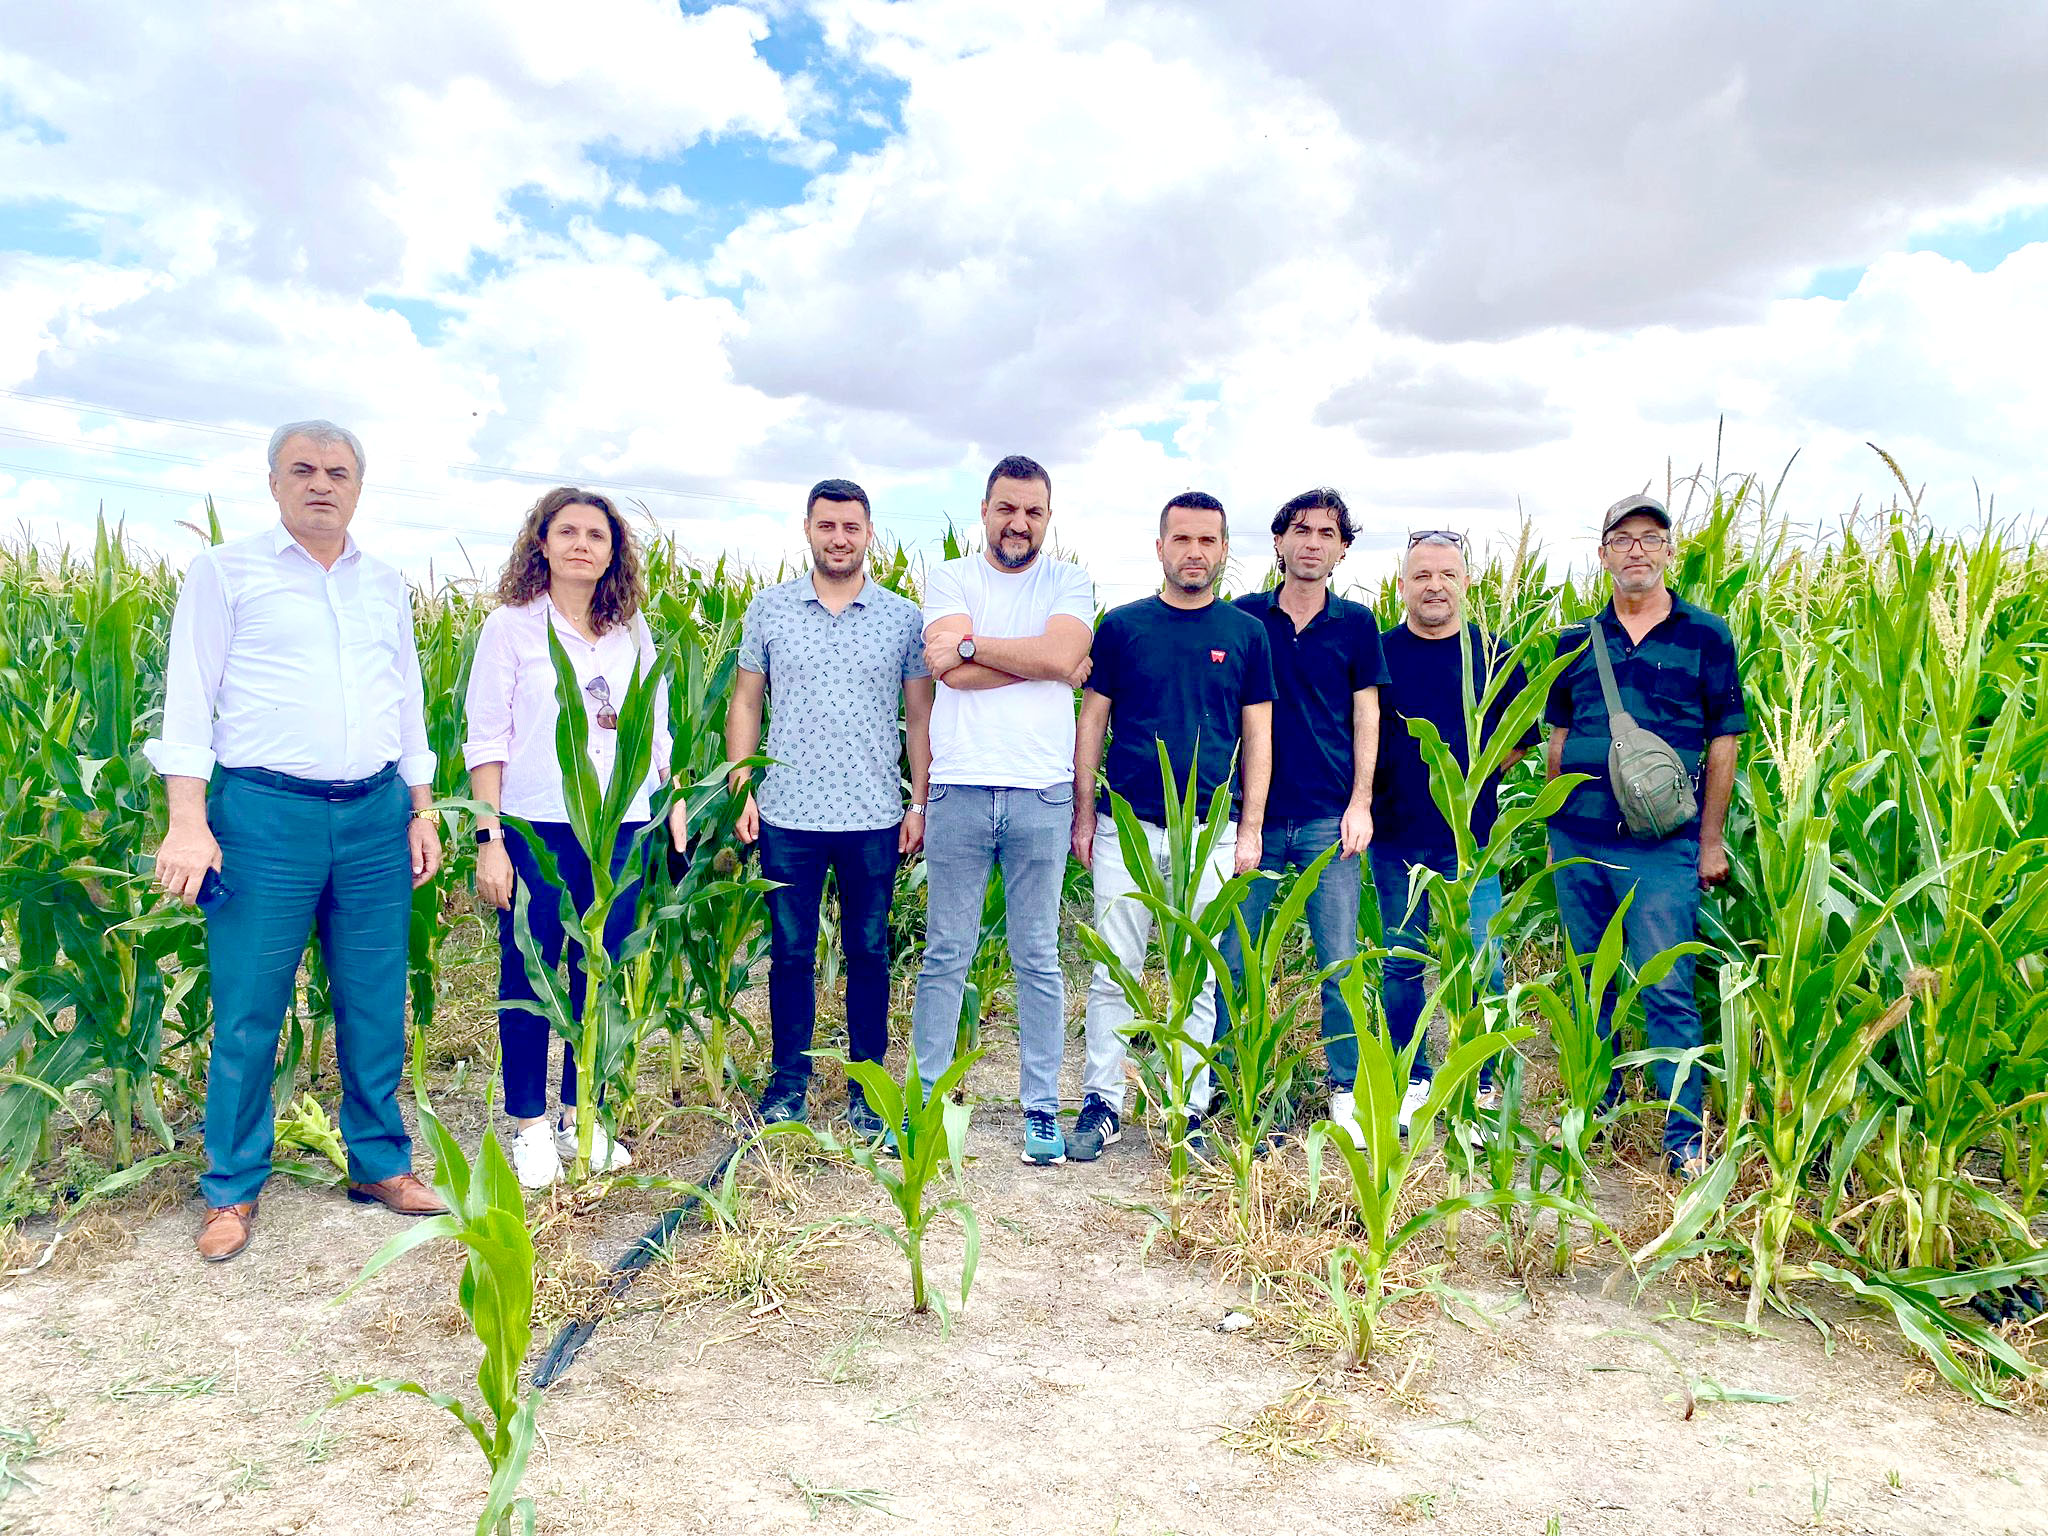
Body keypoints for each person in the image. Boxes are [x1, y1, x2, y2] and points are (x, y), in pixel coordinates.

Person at [148, 420, 448, 1262]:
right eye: (304, 470)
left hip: (373, 815)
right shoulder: (224, 572)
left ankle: (379, 1165)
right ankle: (232, 1188)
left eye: (339, 472)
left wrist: (421, 808)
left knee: (373, 997)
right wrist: (188, 819)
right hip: (263, 815)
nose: (322, 483)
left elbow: (408, 705)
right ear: (274, 481)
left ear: (360, 486)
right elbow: (187, 700)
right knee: (249, 1008)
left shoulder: (385, 583)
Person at [463, 487, 668, 1188]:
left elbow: (655, 732)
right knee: (531, 971)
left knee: (601, 970)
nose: (583, 544)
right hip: (538, 825)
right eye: (568, 531)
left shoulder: (631, 632)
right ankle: (527, 1125)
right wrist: (489, 838)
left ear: (615, 553)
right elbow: (486, 740)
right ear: (541, 543)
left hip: (620, 824)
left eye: (597, 536)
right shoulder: (511, 628)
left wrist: (669, 801)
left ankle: (585, 1112)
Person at [1545, 494, 1746, 1179]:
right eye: (1622, 539)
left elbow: (1724, 742)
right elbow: (1560, 735)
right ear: (1602, 555)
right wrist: (1552, 820)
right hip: (1578, 841)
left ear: (1669, 553)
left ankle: (1683, 1139)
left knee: (1664, 986)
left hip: (1662, 844)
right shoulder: (1575, 640)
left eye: (1650, 539)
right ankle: (1593, 1117)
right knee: (1589, 983)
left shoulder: (1705, 635)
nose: (1636, 550)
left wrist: (1711, 841)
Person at [1070, 492, 1275, 1162]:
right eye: (1181, 539)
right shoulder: (1124, 627)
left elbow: (1258, 737)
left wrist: (1250, 830)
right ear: (1159, 547)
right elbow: (1092, 723)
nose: (1195, 552)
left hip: (1212, 832)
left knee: (1200, 976)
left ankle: (1185, 1107)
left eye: (1208, 541)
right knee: (1113, 969)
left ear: (1223, 551)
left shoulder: (1245, 634)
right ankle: (1103, 1102)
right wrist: (1083, 815)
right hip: (1127, 827)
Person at [729, 480, 933, 1137]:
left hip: (873, 813)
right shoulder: (769, 610)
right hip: (788, 811)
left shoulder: (903, 617)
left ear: (869, 533)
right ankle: (789, 1082)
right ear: (808, 530)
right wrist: (742, 787)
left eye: (851, 526)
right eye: (827, 526)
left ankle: (867, 1088)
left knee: (869, 951)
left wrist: (920, 800)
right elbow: (745, 703)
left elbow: (920, 714)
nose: (839, 537)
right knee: (789, 952)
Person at [910, 455, 1095, 1166]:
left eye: (1034, 512)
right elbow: (946, 669)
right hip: (958, 787)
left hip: (1041, 794)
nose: (1019, 523)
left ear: (1048, 517)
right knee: (945, 955)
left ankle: (1042, 1110)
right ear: (985, 510)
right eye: (1007, 509)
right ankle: (926, 1103)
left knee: (1039, 958)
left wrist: (970, 648)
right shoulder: (952, 576)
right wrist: (1040, 660)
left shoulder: (1069, 581)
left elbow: (1060, 655)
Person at [1224, 488, 1388, 1136]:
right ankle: (1231, 1079)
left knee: (1338, 961)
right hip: (1252, 822)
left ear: (1343, 547)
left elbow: (1366, 715)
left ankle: (1345, 1088)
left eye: (1327, 532)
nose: (1313, 541)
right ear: (1278, 541)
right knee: (1236, 956)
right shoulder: (1243, 619)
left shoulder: (1357, 625)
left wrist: (1361, 804)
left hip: (1328, 818)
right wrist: (1238, 819)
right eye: (1301, 529)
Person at [1373, 530, 1536, 1131]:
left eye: (1445, 575)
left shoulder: (1494, 653)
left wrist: (1462, 784)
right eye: (1421, 576)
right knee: (1403, 961)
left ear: (1465, 582)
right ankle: (1412, 1077)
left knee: (1483, 963)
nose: (1434, 586)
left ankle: (1481, 1080)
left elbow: (1517, 741)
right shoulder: (1380, 654)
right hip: (1394, 836)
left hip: (1471, 841)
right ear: (1402, 585)